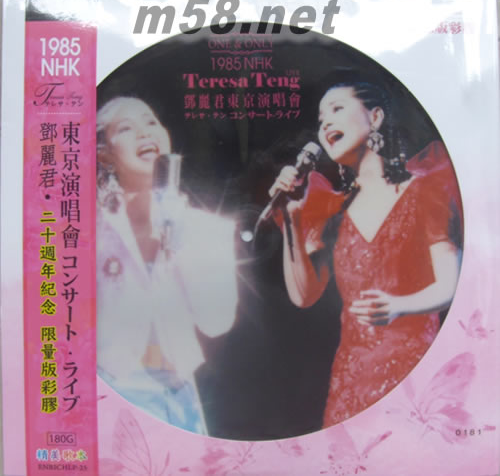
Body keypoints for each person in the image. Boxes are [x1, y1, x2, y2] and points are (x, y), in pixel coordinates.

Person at [269, 82, 462, 427]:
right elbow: (303, 295)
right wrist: (292, 217)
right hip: (350, 381)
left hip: (412, 371)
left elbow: (450, 284)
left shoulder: (425, 189)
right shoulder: (333, 212)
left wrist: (400, 305)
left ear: (375, 117)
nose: (326, 123)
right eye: (320, 119)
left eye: (337, 109)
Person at [96, 96, 237, 434]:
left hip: (177, 393)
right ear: (105, 155)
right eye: (126, 128)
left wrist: (179, 237)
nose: (144, 132)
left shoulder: (204, 228)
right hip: (108, 389)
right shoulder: (86, 230)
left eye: (151, 122)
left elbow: (216, 322)